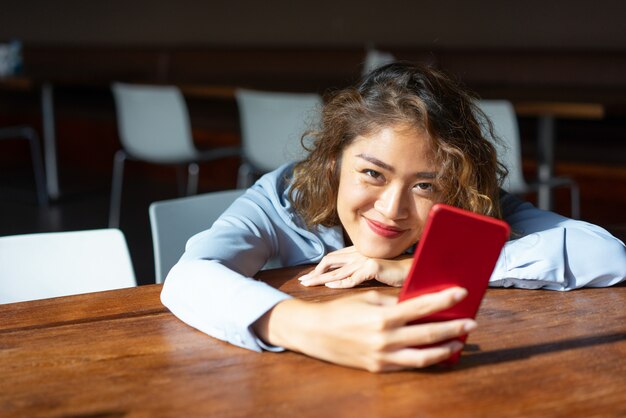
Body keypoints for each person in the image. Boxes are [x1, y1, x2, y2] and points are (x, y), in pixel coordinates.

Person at [161, 62, 626, 372]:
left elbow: (607, 255)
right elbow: (189, 277)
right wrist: (305, 326)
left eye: (425, 185)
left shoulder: (469, 205)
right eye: (372, 173)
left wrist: (411, 269)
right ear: (333, 162)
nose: (391, 209)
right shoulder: (286, 198)